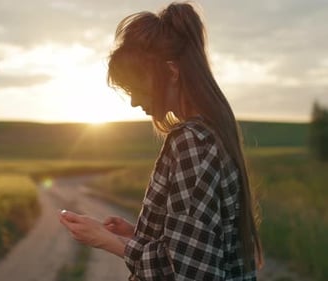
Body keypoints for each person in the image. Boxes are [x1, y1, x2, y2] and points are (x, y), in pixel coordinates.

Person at [59, 1, 263, 280]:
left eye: (136, 86)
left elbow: (188, 272)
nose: (133, 101)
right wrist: (139, 235)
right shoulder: (210, 132)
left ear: (172, 71)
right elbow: (199, 243)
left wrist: (106, 241)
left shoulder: (193, 143)